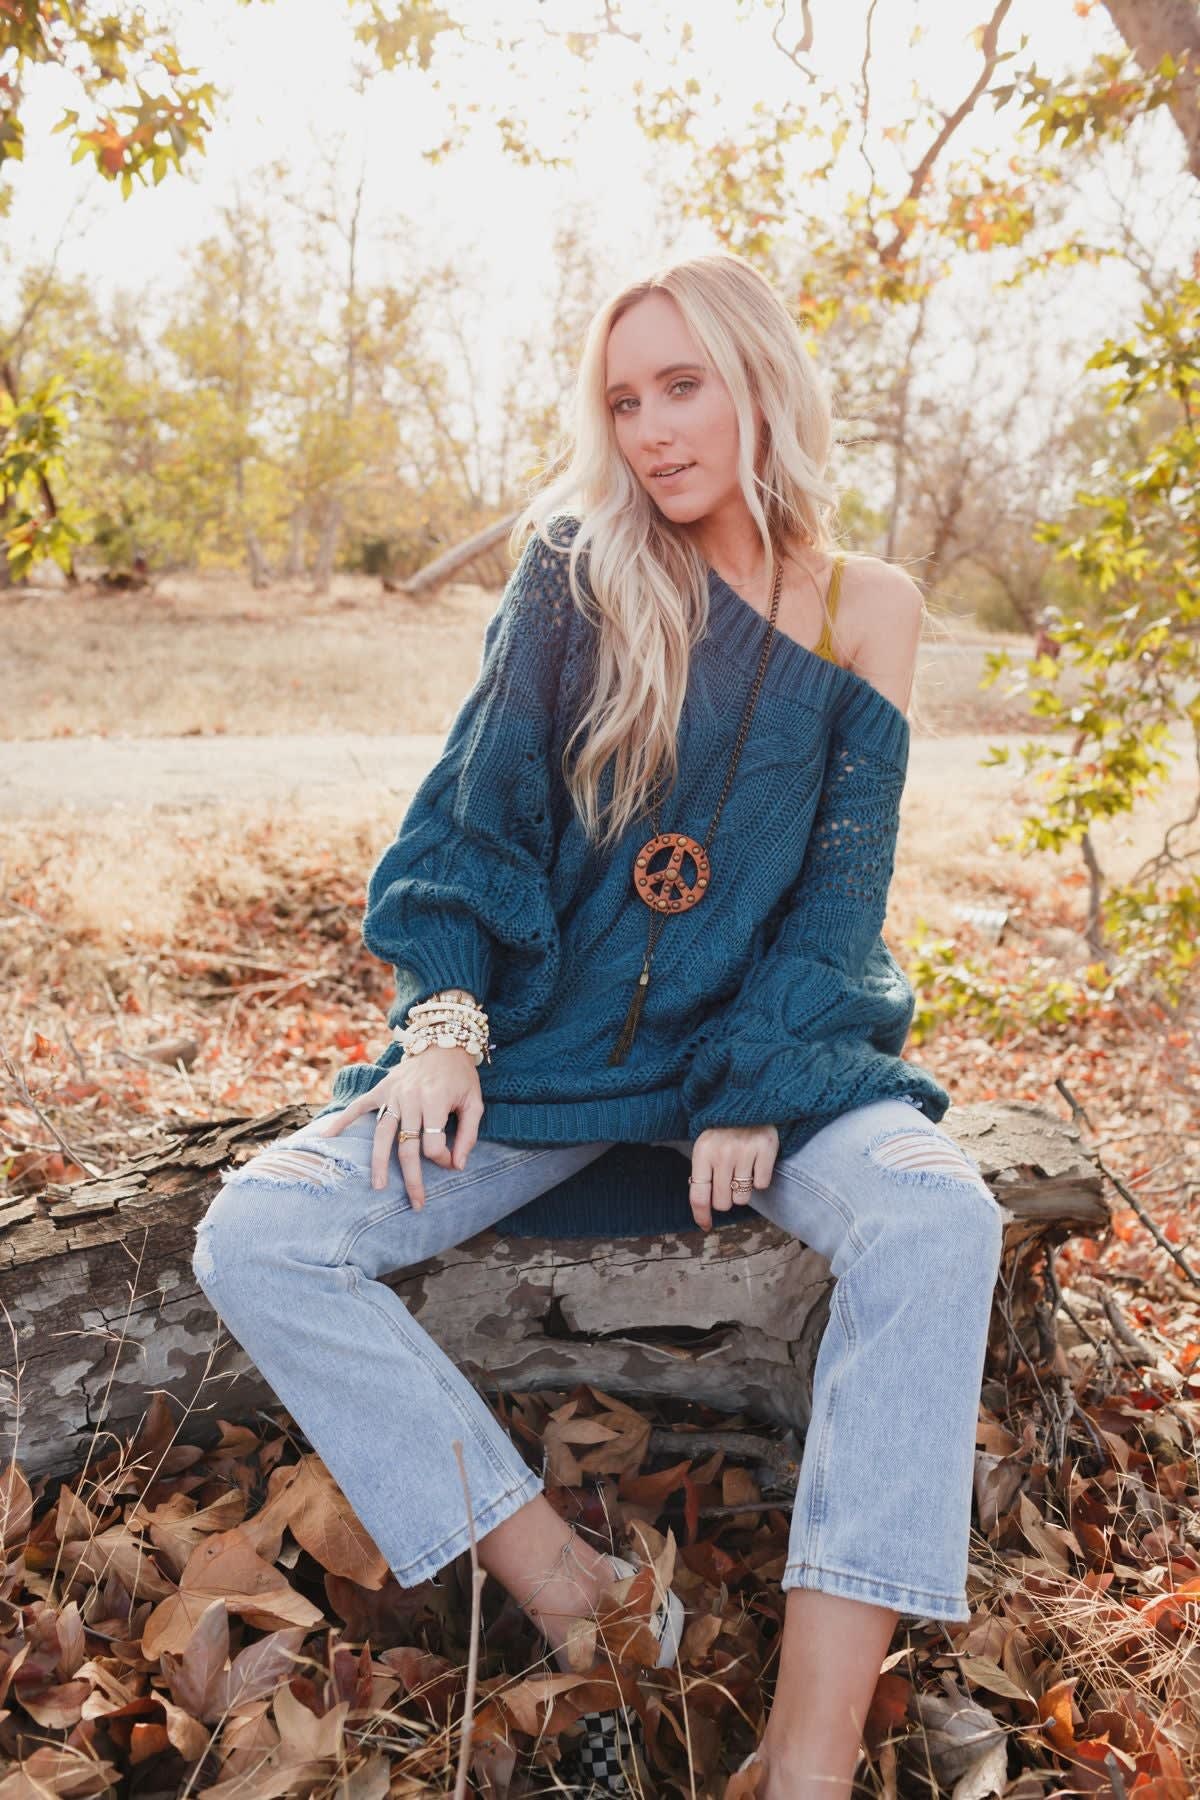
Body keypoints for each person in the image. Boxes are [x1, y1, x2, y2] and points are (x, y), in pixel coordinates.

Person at [192, 251, 1005, 1799]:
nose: (651, 430)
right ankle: (575, 1589)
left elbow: (843, 897)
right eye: (625, 400)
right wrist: (445, 1020)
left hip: (780, 1062)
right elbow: (470, 819)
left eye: (682, 386)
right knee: (263, 1234)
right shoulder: (576, 569)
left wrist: (761, 1079)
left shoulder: (871, 606)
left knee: (938, 1220)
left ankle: (810, 1754)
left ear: (761, 383)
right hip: (551, 1059)